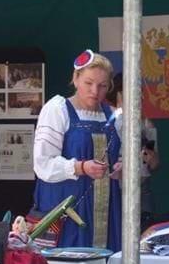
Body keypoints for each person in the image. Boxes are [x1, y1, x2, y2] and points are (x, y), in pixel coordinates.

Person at [32, 49, 121, 251]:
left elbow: (122, 154)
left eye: (102, 85)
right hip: (67, 209)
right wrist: (80, 167)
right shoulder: (58, 109)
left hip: (106, 211)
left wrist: (121, 166)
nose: (95, 91)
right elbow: (42, 162)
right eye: (88, 83)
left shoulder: (113, 116)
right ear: (76, 78)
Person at [105, 72, 160, 228]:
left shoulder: (146, 123)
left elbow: (155, 165)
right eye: (135, 90)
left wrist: (151, 158)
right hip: (116, 191)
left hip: (142, 192)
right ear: (120, 92)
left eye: (140, 91)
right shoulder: (107, 118)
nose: (141, 96)